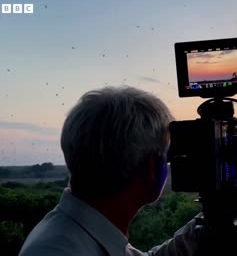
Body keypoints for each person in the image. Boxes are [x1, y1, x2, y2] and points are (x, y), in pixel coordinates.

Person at [18, 86, 202, 256]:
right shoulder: (62, 250)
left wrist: (205, 226)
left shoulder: (78, 233)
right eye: (167, 156)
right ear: (151, 168)